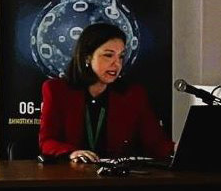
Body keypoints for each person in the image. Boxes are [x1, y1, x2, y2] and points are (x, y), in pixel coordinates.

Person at [39, 23, 174, 162]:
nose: (117, 64)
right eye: (108, 55)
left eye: (121, 56)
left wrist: (177, 149)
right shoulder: (56, 90)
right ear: (87, 57)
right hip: (72, 172)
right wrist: (73, 153)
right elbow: (47, 141)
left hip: (116, 173)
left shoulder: (133, 94)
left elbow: (155, 143)